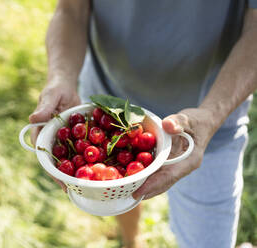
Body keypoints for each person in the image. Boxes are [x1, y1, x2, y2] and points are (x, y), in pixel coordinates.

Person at [29, 1, 257, 247]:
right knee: (116, 186)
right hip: (111, 104)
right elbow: (71, 9)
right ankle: (131, 241)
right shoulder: (90, 130)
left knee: (209, 240)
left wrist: (212, 114)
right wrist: (60, 78)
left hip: (208, 118)